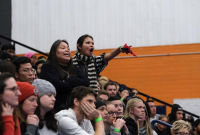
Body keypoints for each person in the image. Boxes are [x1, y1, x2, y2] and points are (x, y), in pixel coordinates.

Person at [40, 39, 89, 112]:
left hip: (76, 108)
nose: (67, 50)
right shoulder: (48, 66)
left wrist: (67, 80)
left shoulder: (75, 68)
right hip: (56, 109)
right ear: (54, 52)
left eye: (68, 49)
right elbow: (57, 85)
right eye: (63, 48)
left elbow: (86, 82)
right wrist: (77, 87)